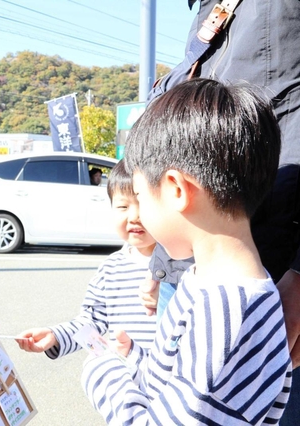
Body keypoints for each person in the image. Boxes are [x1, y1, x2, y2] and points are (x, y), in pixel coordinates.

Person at [83, 79, 292, 424]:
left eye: (140, 196)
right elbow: (182, 386)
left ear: (177, 190)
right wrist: (135, 358)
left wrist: (103, 375)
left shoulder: (225, 313)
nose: (140, 214)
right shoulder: (219, 285)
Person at [145, 3, 300, 423]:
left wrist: (103, 371)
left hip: (277, 279)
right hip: (187, 273)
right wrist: (162, 263)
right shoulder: (206, 15)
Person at [16, 160, 157, 357]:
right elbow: (92, 321)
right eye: (123, 206)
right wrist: (55, 336)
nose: (134, 216)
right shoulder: (111, 268)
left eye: (143, 204)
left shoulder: (185, 264)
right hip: (126, 372)